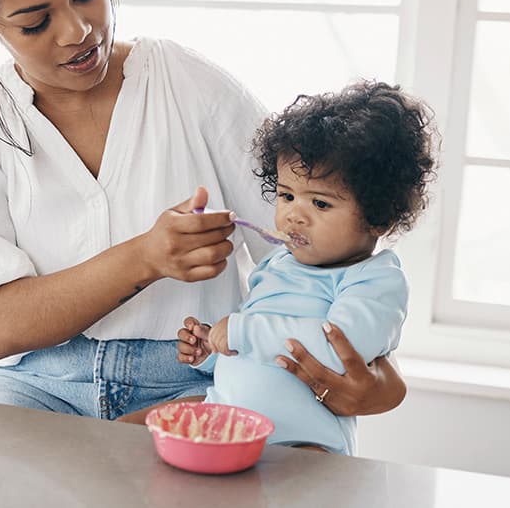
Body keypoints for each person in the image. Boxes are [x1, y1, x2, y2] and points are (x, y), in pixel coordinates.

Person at [0, 0, 406, 422]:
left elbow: (320, 246)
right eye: (35, 22)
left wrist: (380, 379)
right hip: (35, 383)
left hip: (196, 378)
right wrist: (146, 257)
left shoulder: (192, 88)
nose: (79, 31)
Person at [178, 81, 438, 454]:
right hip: (230, 436)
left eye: (320, 203)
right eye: (286, 195)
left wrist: (240, 332)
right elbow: (260, 351)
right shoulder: (277, 263)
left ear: (379, 217)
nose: (294, 215)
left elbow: (338, 349)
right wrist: (212, 349)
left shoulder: (376, 278)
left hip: (305, 447)